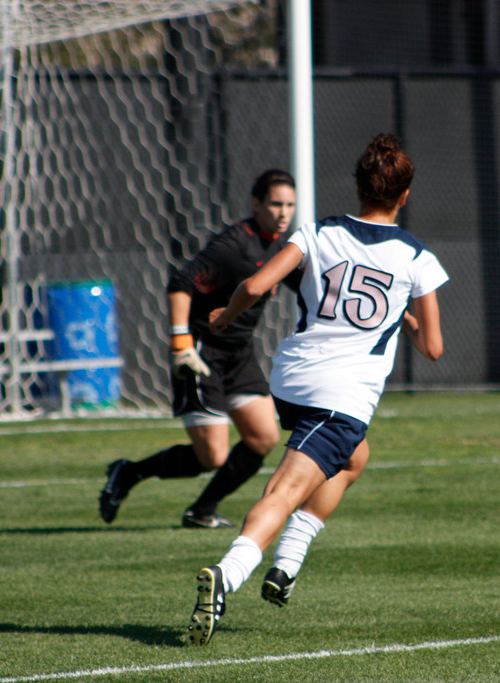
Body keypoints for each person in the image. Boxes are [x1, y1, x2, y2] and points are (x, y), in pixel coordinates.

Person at [187, 134, 447, 646]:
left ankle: (286, 563)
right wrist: (406, 317)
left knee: (354, 457)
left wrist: (225, 316)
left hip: (291, 378)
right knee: (285, 490)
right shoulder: (417, 257)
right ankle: (227, 574)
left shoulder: (318, 231)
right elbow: (433, 348)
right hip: (341, 395)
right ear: (404, 195)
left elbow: (255, 286)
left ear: (358, 188)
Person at [99, 169, 298, 529]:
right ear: (256, 204)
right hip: (203, 352)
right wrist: (181, 343)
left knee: (263, 437)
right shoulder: (234, 245)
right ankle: (129, 472)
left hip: (240, 354)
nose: (283, 212)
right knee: (212, 456)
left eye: (289, 205)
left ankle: (202, 510)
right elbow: (182, 283)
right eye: (275, 204)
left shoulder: (282, 248)